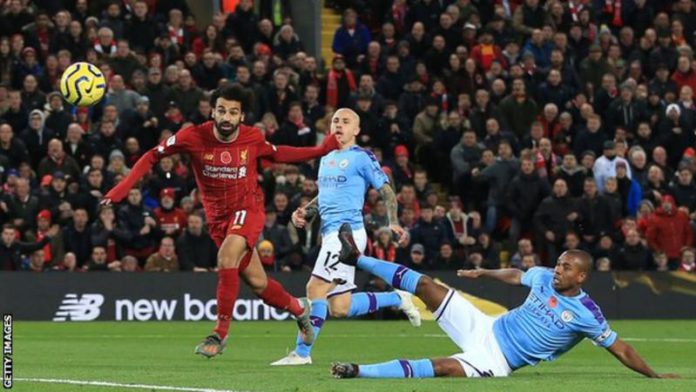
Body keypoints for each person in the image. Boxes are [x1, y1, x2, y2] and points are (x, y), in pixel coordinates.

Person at [100, 84, 339, 358]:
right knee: (259, 284)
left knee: (226, 258)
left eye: (233, 112)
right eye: (222, 110)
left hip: (248, 209)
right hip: (218, 220)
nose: (227, 117)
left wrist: (322, 150)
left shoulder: (252, 138)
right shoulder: (192, 136)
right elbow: (152, 155)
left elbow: (282, 153)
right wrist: (121, 188)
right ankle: (300, 309)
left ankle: (220, 333)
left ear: (242, 116)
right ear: (213, 111)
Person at [331, 224, 679, 380]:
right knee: (425, 285)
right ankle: (355, 257)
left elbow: (620, 349)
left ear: (582, 277)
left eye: (566, 267)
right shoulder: (544, 276)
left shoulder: (587, 314)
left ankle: (359, 371)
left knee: (441, 368)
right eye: (558, 263)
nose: (557, 270)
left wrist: (655, 376)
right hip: (485, 326)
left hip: (496, 359)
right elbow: (517, 275)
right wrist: (485, 272)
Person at [271, 108, 420, 366]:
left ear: (356, 130)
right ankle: (397, 298)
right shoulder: (326, 158)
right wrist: (305, 213)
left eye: (345, 121)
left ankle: (301, 354)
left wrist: (392, 222)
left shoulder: (361, 157)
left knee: (314, 288)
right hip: (329, 233)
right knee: (339, 306)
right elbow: (326, 196)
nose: (339, 125)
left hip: (346, 234)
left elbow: (386, 190)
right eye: (335, 121)